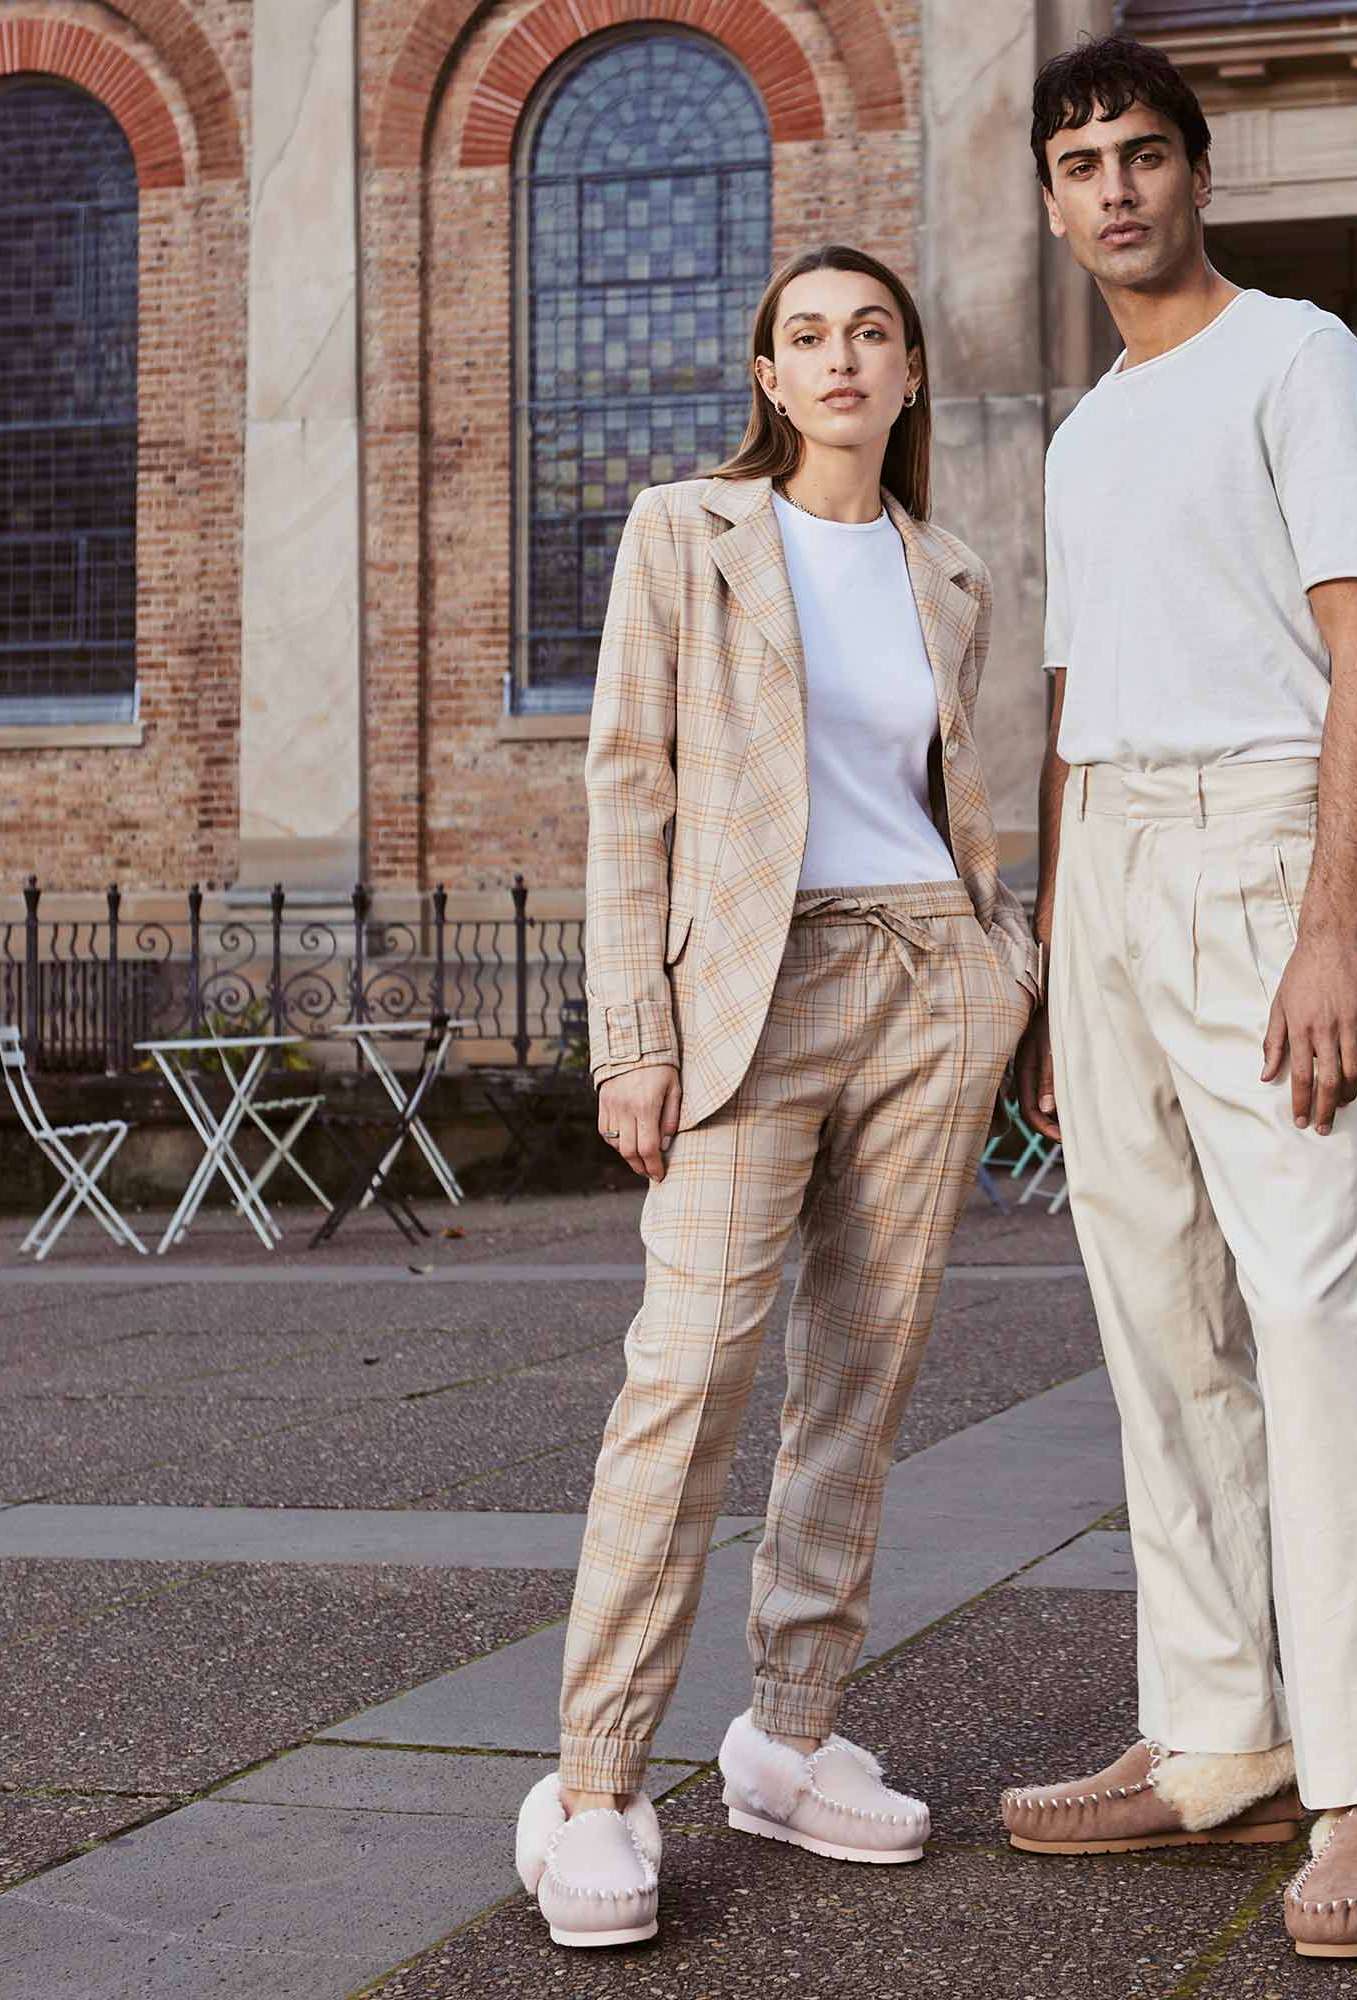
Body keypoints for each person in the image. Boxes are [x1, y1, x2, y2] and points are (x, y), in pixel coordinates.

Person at [997, 36, 1357, 1960]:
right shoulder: (1085, 432)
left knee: (1303, 1309)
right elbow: (1067, 707)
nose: (1113, 188)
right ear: (1053, 204)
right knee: (1156, 1321)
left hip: (1260, 835)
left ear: (1200, 171)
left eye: (1141, 153)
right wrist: (1052, 967)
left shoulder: (1301, 358)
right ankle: (1217, 1735)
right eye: (1080, 164)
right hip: (1109, 860)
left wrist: (1330, 922)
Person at [512, 243, 1039, 1949]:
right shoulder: (687, 532)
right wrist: (631, 1034)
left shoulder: (950, 568)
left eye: (870, 333)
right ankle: (594, 1784)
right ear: (768, 374)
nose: (839, 359)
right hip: (752, 990)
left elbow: (954, 793)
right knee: (687, 1377)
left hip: (927, 984)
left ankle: (790, 1740)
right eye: (806, 335)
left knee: (861, 1383)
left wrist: (1007, 974)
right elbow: (629, 788)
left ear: (908, 374)